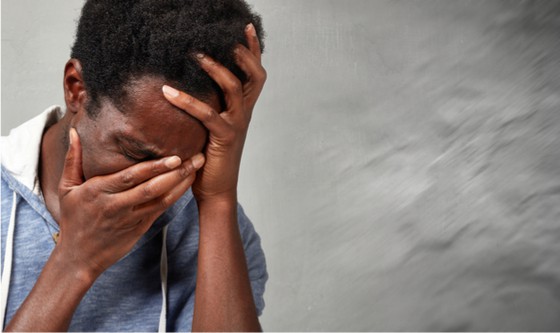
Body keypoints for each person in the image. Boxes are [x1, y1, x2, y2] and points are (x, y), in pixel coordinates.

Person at [0, 0, 268, 331]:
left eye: (185, 162)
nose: (160, 183)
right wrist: (75, 261)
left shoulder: (219, 230)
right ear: (76, 89)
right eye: (136, 153)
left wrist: (217, 200)